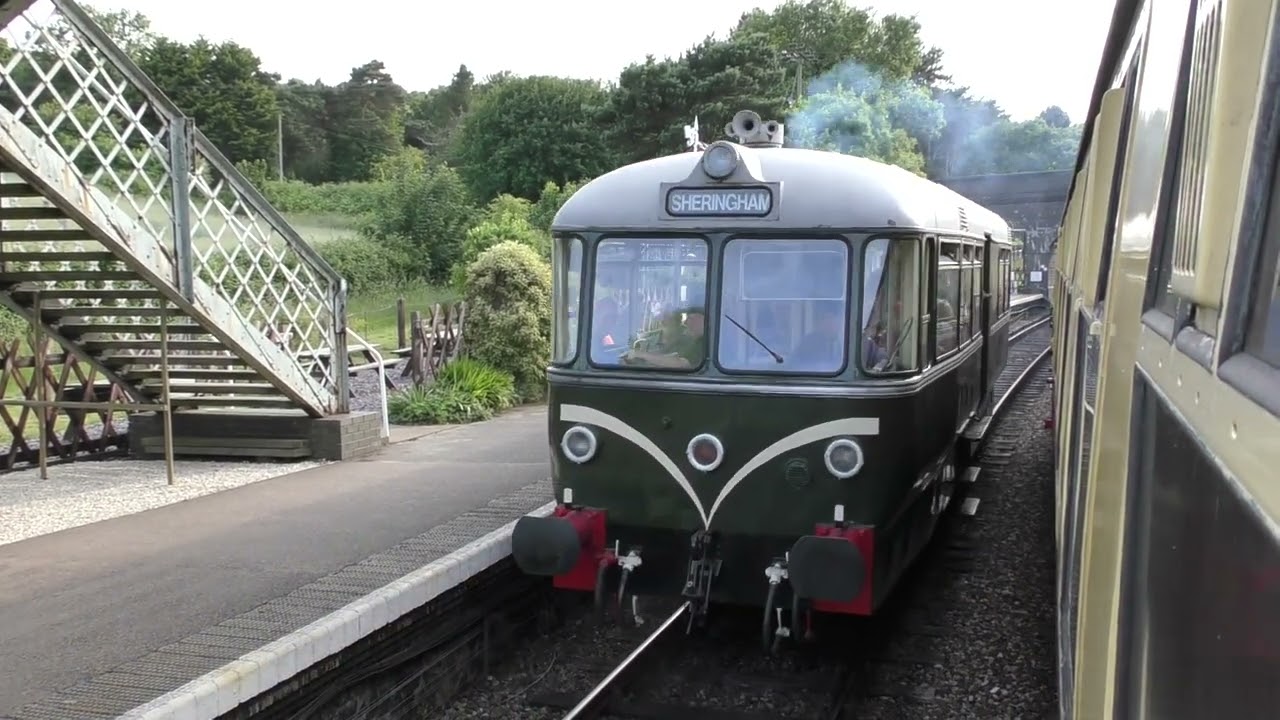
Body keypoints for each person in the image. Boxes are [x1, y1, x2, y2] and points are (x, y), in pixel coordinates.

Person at [791, 304, 845, 371]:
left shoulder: (841, 342)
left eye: (833, 319)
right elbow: (796, 364)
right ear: (820, 322)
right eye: (826, 319)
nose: (830, 323)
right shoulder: (809, 342)